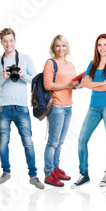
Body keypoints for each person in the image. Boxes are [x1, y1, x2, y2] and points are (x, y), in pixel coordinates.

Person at [0, 28, 43, 189]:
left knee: (28, 142)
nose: (8, 44)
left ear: (15, 40)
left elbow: (36, 80)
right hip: (3, 107)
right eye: (5, 41)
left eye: (11, 40)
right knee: (3, 141)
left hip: (22, 107)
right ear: (1, 43)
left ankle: (33, 176)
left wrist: (22, 75)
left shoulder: (25, 59)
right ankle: (6, 172)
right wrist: (2, 77)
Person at [74, 34, 106, 187]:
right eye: (99, 45)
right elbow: (83, 84)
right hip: (94, 106)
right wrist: (100, 83)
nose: (102, 48)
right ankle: (84, 174)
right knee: (82, 140)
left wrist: (91, 83)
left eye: (105, 45)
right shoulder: (92, 63)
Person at [42, 35, 78, 187]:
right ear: (53, 48)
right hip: (56, 107)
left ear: (67, 47)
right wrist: (67, 84)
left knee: (60, 142)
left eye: (63, 46)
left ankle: (56, 169)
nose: (61, 49)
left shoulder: (70, 64)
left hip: (68, 106)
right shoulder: (50, 63)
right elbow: (48, 85)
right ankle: (49, 173)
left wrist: (77, 85)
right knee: (52, 143)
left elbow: (72, 84)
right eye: (57, 46)